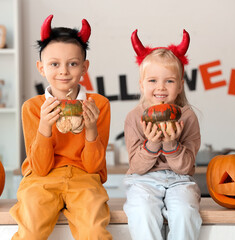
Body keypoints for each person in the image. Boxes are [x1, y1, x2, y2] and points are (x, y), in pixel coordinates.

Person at [10, 15, 112, 240]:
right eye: (54, 64)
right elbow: (40, 167)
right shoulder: (33, 107)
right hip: (40, 181)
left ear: (85, 67)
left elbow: (94, 167)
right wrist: (45, 127)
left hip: (84, 179)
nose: (64, 71)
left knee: (94, 231)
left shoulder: (99, 105)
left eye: (73, 63)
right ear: (41, 68)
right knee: (32, 229)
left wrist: (91, 129)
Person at [123, 29, 202, 240]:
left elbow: (186, 167)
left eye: (169, 81)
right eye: (152, 81)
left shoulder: (187, 117)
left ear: (180, 86)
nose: (161, 88)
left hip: (180, 180)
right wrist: (151, 144)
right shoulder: (134, 117)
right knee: (141, 211)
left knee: (185, 213)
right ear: (141, 85)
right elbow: (137, 167)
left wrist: (171, 144)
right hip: (143, 180)